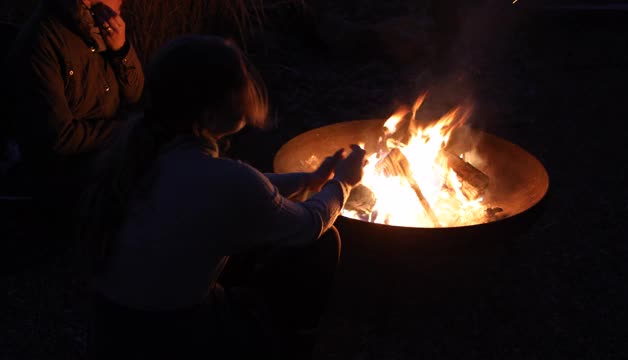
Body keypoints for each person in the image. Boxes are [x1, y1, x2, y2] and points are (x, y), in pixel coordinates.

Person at [79, 34, 366, 359]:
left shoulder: (141, 152)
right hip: (168, 338)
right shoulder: (226, 181)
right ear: (212, 111)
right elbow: (310, 224)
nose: (248, 94)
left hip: (111, 331)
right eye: (239, 88)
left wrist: (310, 180)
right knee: (322, 244)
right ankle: (288, 344)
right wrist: (343, 182)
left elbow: (237, 190)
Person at [3, 0, 144, 252]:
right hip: (68, 172)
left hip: (105, 153)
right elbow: (58, 138)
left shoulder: (101, 28)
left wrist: (121, 50)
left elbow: (135, 95)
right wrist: (125, 132)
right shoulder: (44, 41)